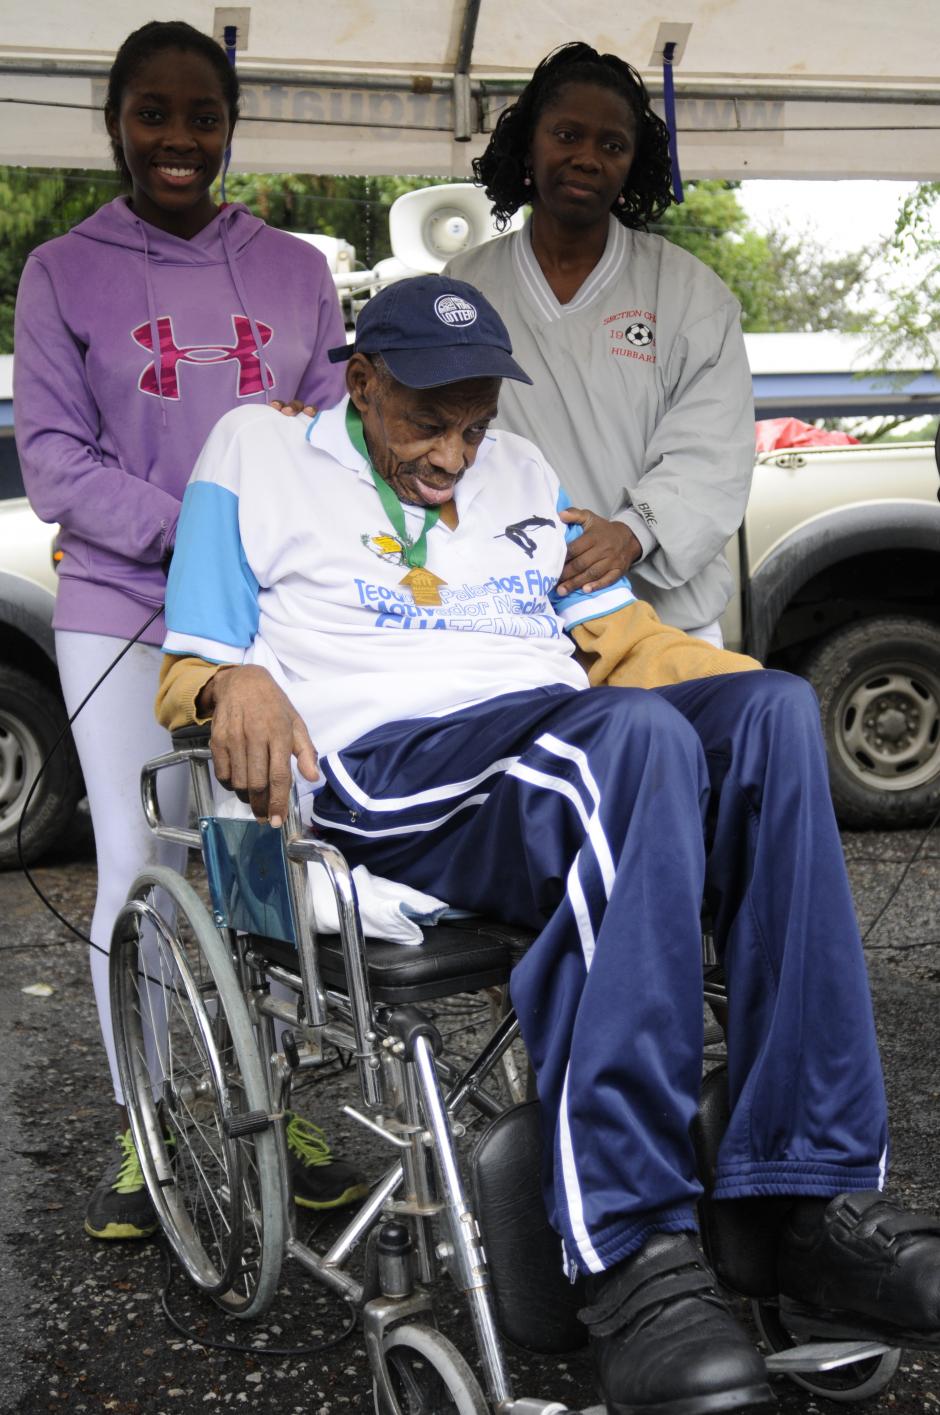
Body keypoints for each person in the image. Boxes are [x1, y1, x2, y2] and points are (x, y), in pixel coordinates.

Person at [157, 274, 940, 1415]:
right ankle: (629, 1255)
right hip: (391, 765)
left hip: (556, 741)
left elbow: (625, 643)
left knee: (764, 715)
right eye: (427, 421)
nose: (454, 453)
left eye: (472, 424)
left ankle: (804, 1195)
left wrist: (757, 695)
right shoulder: (256, 455)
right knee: (626, 743)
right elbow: (192, 660)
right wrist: (233, 678)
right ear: (361, 381)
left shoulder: (520, 473)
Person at [13, 19, 365, 1242]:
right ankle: (148, 1122)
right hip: (124, 609)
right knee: (140, 860)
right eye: (153, 113)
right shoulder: (61, 270)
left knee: (259, 853)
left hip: (268, 616)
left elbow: (333, 438)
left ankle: (274, 1101)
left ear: (229, 127)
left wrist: (261, 548)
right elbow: (54, 462)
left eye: (200, 116)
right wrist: (202, 536)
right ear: (117, 122)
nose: (178, 138)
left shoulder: (293, 270)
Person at [443, 41, 755, 644]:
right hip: (507, 620)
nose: (587, 157)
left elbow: (715, 454)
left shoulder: (690, 294)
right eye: (567, 135)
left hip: (664, 625)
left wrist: (632, 531)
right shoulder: (464, 288)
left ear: (632, 164)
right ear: (530, 144)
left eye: (612, 145)